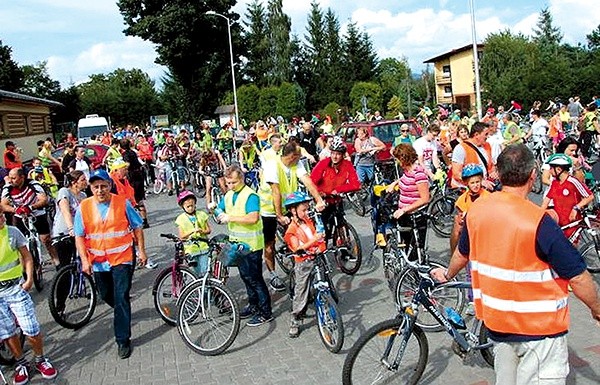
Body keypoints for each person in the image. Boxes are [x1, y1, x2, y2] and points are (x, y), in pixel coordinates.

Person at [432, 144, 600, 385]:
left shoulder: (477, 210)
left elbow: (462, 252)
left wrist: (447, 274)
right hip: (539, 331)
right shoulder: (537, 221)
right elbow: (578, 277)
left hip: (498, 326)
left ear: (498, 174)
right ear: (532, 175)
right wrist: (597, 309)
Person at [74, 168, 147, 359]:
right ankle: (123, 311)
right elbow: (79, 236)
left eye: (103, 186)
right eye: (96, 187)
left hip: (122, 258)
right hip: (98, 262)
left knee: (121, 296)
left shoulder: (122, 203)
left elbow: (137, 226)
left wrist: (141, 251)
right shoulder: (84, 207)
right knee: (105, 294)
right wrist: (84, 260)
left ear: (110, 186)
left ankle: (123, 340)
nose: (100, 190)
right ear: (90, 188)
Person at [257, 140, 326, 292]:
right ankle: (273, 274)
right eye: (298, 156)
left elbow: (307, 181)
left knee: (298, 234)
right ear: (292, 156)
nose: (300, 159)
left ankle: (299, 266)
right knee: (269, 243)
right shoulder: (272, 165)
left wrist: (319, 200)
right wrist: (279, 215)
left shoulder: (296, 164)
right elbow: (275, 191)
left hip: (288, 205)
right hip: (268, 208)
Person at [0, 208, 57, 385]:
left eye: (1, 215)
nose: (1, 219)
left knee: (30, 328)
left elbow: (27, 256)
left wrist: (29, 279)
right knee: (8, 332)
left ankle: (40, 360)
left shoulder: (12, 232)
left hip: (16, 288)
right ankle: (20, 363)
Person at [215, 165, 273, 327]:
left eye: (234, 182)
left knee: (255, 279)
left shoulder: (250, 196)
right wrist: (218, 213)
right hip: (237, 244)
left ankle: (265, 312)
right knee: (245, 277)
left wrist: (229, 217)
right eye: (228, 183)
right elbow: (220, 208)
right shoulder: (229, 195)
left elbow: (253, 218)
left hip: (251, 246)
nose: (231, 186)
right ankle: (253, 305)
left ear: (241, 179)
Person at [283, 191, 326, 338]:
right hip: (303, 262)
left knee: (323, 281)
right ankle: (295, 318)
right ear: (293, 210)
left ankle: (326, 302)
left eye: (307, 209)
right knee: (301, 291)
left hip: (316, 257)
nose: (307, 212)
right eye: (304, 209)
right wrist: (315, 239)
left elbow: (316, 233)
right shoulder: (291, 231)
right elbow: (297, 248)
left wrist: (320, 239)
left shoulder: (307, 220)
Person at [0, 167, 60, 266]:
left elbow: (43, 199)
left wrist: (31, 207)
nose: (11, 180)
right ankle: (24, 268)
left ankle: (56, 260)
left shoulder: (33, 184)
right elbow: (3, 205)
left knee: (46, 239)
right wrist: (15, 209)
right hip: (20, 215)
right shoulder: (8, 187)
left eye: (14, 178)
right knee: (19, 243)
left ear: (22, 177)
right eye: (10, 178)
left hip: (36, 213)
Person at [310, 136, 361, 237]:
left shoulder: (347, 165)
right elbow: (312, 181)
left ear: (342, 155)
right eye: (333, 153)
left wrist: (338, 189)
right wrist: (319, 193)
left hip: (337, 199)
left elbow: (355, 184)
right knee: (323, 230)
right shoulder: (323, 163)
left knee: (340, 220)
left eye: (338, 154)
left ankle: (342, 242)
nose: (335, 157)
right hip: (323, 199)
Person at [541, 154, 593, 239]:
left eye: (551, 168)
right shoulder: (554, 183)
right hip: (559, 221)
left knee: (571, 247)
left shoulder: (573, 181)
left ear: (558, 169)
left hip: (571, 222)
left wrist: (576, 208)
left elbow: (589, 196)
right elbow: (546, 201)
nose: (549, 171)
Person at [451, 122, 497, 190]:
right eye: (486, 134)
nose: (488, 137)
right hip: (466, 190)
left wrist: (494, 173)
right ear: (476, 135)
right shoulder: (460, 148)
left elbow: (490, 165)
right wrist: (479, 182)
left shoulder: (487, 145)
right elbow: (457, 174)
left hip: (486, 187)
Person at [175, 190, 211, 275]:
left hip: (204, 247)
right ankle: (200, 286)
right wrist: (192, 232)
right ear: (183, 207)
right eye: (188, 206)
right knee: (197, 272)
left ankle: (206, 287)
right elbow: (182, 236)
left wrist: (202, 231)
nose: (190, 208)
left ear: (195, 204)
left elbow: (209, 230)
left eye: (192, 205)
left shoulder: (202, 215)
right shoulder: (180, 219)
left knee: (205, 270)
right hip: (191, 250)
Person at [120, 139, 149, 228]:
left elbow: (127, 164)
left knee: (133, 199)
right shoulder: (132, 152)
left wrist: (122, 170)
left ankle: (135, 221)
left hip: (132, 177)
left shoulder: (125, 154)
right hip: (139, 175)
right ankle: (144, 220)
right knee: (139, 199)